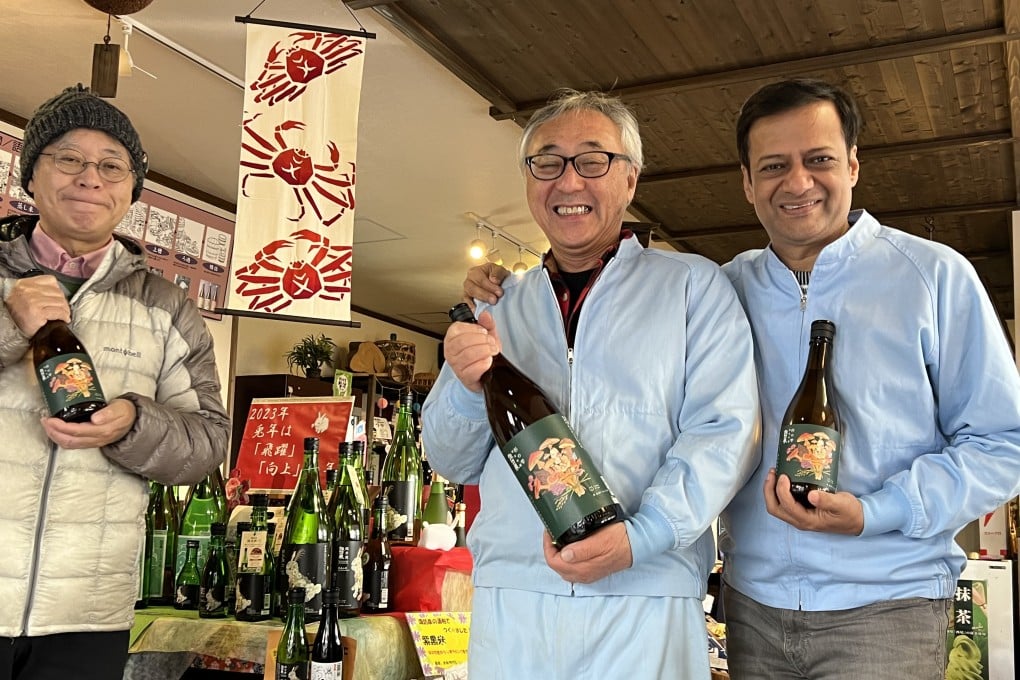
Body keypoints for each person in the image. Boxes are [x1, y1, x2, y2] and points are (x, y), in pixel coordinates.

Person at [465, 78, 1020, 680]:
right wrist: (498, 296)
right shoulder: (722, 288)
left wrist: (878, 511)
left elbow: (1003, 443)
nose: (798, 182)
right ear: (748, 184)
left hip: (886, 605)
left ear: (854, 164)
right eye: (774, 166)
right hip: (754, 606)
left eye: (819, 159)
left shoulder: (932, 277)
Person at [422, 89, 760, 679]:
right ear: (529, 181)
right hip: (514, 598)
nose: (569, 180)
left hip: (646, 594)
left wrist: (641, 537)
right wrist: (465, 386)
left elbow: (725, 433)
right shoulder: (497, 306)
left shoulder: (691, 287)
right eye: (547, 162)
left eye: (593, 160)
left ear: (630, 179)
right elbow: (450, 460)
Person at [0, 85, 229, 680]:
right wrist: (8, 326)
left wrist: (133, 422)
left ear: (131, 190)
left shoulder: (167, 306)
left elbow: (208, 442)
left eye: (111, 166)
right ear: (31, 175)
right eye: (68, 158)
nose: (90, 178)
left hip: (87, 613)